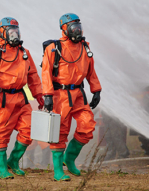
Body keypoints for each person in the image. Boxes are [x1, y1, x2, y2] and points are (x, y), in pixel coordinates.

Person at [0, 17, 44, 179]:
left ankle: (13, 161)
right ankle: (2, 169)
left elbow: (33, 75)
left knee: (29, 130)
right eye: (11, 31)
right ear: (3, 32)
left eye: (16, 31)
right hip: (1, 98)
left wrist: (39, 94)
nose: (15, 35)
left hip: (21, 98)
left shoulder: (24, 53)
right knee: (1, 132)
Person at [41, 13, 102, 181]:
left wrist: (96, 90)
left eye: (78, 27)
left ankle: (70, 158)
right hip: (59, 95)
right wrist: (47, 95)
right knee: (59, 132)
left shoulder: (85, 47)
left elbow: (91, 71)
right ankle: (58, 171)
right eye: (73, 28)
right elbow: (45, 73)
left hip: (79, 94)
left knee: (87, 126)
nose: (77, 31)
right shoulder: (54, 48)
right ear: (64, 29)